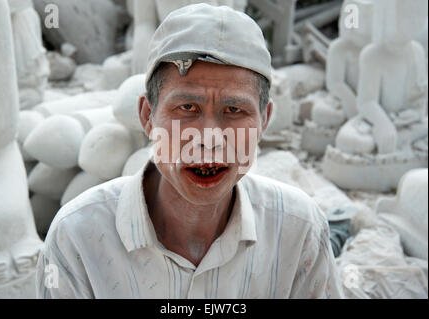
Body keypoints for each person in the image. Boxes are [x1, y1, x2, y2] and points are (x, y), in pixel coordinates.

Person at [36, 4, 344, 299]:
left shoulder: (298, 229)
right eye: (187, 108)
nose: (209, 139)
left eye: (234, 109)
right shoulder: (77, 237)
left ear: (264, 120)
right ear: (147, 116)